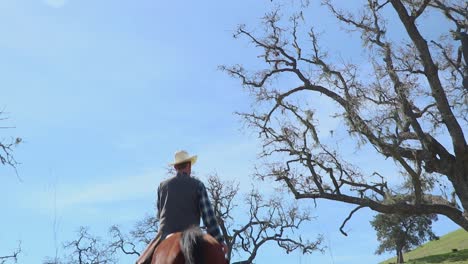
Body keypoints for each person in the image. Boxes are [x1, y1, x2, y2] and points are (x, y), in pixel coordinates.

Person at [136, 150, 228, 264]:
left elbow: (159, 215)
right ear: (189, 165)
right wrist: (219, 240)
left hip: (166, 233)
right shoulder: (198, 185)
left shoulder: (162, 186)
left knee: (140, 262)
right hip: (195, 235)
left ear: (175, 167)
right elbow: (208, 217)